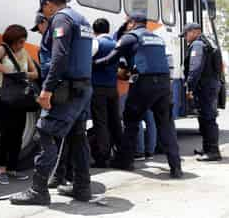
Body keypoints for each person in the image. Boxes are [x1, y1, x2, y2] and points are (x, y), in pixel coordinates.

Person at [10, 0, 93, 205]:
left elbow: (60, 56)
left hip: (66, 90)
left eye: (44, 9)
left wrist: (46, 89)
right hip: (82, 88)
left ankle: (38, 191)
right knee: (78, 136)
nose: (45, 14)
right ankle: (82, 188)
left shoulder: (61, 19)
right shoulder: (82, 19)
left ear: (48, 5)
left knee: (44, 132)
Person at [94, 11, 182, 178]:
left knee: (131, 120)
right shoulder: (157, 38)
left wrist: (91, 64)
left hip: (144, 83)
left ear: (131, 23)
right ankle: (176, 167)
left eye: (127, 22)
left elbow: (110, 59)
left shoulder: (131, 37)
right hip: (164, 84)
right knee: (166, 125)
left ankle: (125, 161)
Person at [0, 24, 38, 184]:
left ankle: (12, 168)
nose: (21, 45)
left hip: (19, 98)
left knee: (18, 134)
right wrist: (7, 70)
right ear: (12, 40)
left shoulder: (24, 52)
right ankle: (1, 168)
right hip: (3, 96)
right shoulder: (2, 49)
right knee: (6, 134)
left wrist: (23, 75)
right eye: (19, 41)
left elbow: (35, 73)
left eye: (23, 41)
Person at [31, 12, 73, 188]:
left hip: (57, 90)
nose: (39, 32)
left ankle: (46, 182)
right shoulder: (58, 34)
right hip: (67, 89)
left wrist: (46, 89)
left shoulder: (54, 35)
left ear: (43, 22)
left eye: (38, 28)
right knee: (69, 134)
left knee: (48, 131)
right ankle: (63, 176)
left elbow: (53, 64)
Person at [181, 23, 222, 161]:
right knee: (204, 117)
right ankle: (207, 149)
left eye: (186, 34)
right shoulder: (208, 41)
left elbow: (195, 68)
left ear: (194, 32)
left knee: (208, 118)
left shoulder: (198, 45)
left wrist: (189, 87)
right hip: (210, 85)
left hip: (205, 87)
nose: (185, 38)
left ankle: (213, 151)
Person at [88, 18, 122, 168]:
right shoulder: (117, 44)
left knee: (100, 122)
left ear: (94, 30)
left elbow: (86, 61)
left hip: (98, 88)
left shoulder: (96, 43)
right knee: (115, 122)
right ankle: (121, 154)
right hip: (113, 88)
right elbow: (123, 67)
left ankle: (102, 157)